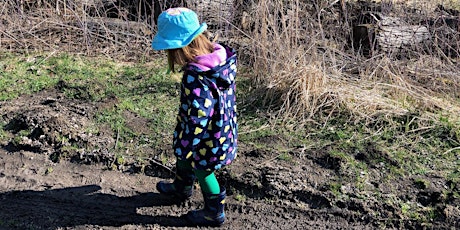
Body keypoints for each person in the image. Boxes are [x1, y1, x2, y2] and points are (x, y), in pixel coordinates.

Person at [151, 7, 238, 227]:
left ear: (179, 49)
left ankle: (213, 212)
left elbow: (200, 114)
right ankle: (182, 187)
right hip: (223, 127)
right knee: (183, 154)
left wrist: (189, 139)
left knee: (203, 168)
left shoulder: (195, 75)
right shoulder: (220, 62)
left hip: (205, 134)